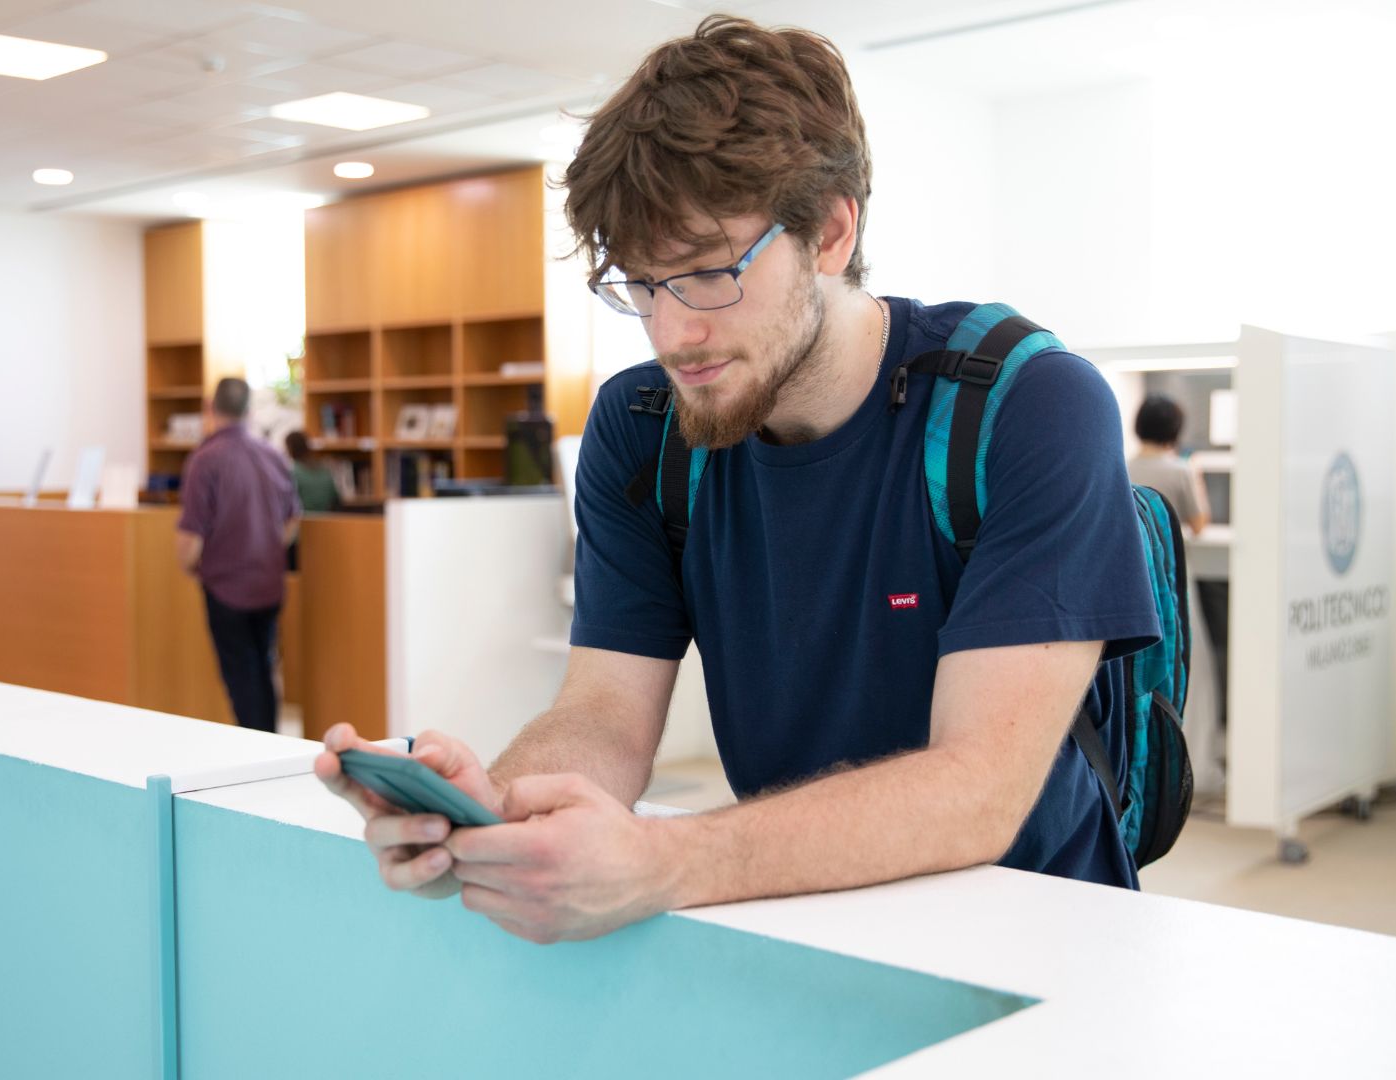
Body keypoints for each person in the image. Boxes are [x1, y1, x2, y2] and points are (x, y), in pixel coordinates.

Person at [315, 15, 1160, 944]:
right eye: (639, 282)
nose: (671, 332)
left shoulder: (1028, 404)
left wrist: (672, 861)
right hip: (800, 917)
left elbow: (976, 793)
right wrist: (500, 814)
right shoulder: (642, 430)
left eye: (708, 272)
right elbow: (603, 712)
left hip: (1041, 937)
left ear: (831, 230)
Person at [177, 378, 298, 732]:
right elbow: (293, 517)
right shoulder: (273, 455)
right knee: (264, 667)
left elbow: (190, 540)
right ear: (250, 410)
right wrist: (268, 548)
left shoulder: (205, 460)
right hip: (269, 583)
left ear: (210, 408)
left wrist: (194, 567)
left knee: (241, 676)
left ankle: (257, 752)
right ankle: (272, 744)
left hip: (226, 587)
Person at [1125, 394, 1210, 535]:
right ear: (1175, 428)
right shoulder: (1182, 470)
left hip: (1131, 554)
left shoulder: (1122, 469)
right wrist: (1197, 476)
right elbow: (1198, 526)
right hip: (1167, 555)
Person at [284, 431, 339, 513]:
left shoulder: (293, 472)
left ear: (290, 448)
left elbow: (287, 504)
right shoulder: (324, 470)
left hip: (304, 521)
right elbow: (336, 499)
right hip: (327, 520)